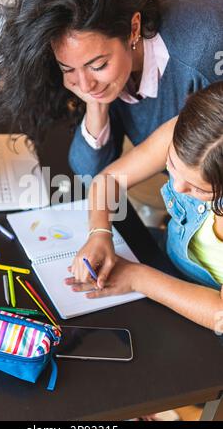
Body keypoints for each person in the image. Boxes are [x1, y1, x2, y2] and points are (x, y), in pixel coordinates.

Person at [0, 0, 223, 169]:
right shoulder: (107, 69)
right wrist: (97, 105)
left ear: (133, 29)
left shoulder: (205, 49)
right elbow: (90, 172)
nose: (85, 84)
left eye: (98, 65)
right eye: (67, 68)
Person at [67, 82, 223, 332]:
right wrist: (99, 232)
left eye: (200, 189)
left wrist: (137, 278)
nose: (179, 188)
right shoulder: (194, 133)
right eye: (172, 165)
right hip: (169, 260)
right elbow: (109, 179)